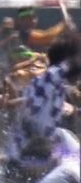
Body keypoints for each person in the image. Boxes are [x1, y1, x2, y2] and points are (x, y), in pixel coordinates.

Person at [6, 32, 81, 163]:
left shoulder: (54, 87)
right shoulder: (48, 79)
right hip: (26, 158)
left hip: (38, 151)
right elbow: (69, 65)